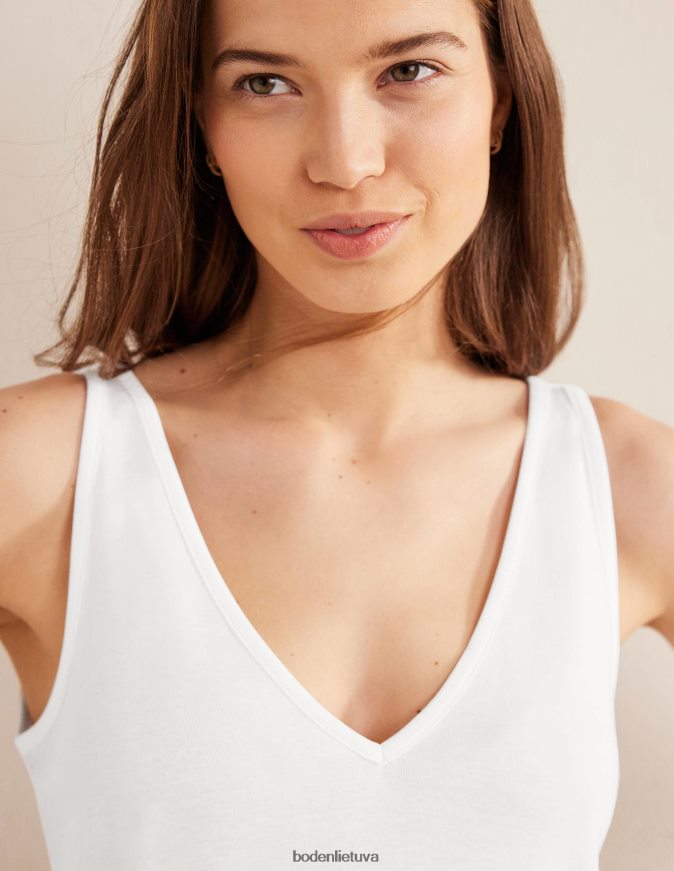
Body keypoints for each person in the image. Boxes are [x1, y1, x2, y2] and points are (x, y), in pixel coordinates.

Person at [1, 0, 672, 868]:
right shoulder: (41, 475)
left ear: (501, 100)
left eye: (409, 71)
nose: (346, 162)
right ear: (203, 125)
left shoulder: (629, 488)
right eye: (265, 84)